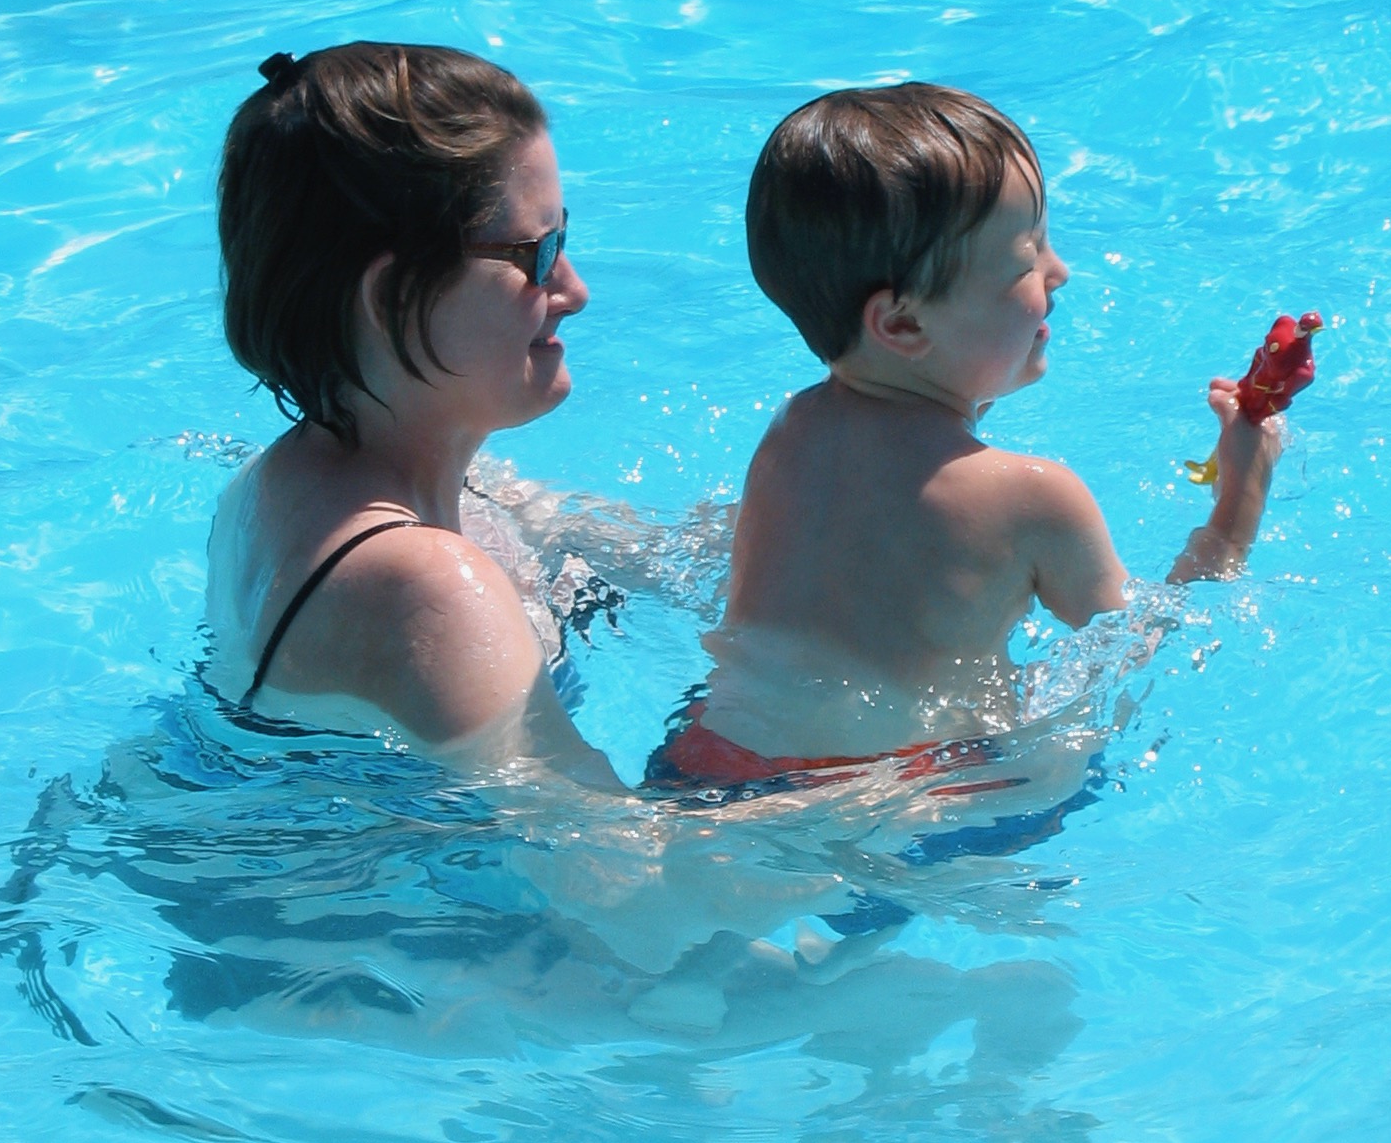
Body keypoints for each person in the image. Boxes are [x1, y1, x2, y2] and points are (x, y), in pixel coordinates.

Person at [651, 83, 1280, 784]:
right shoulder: (1035, 498)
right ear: (902, 324)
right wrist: (1237, 511)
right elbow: (1137, 651)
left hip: (705, 756)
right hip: (898, 793)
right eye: (1027, 259)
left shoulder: (791, 431)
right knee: (1064, 766)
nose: (1059, 273)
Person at [205, 42, 620, 785]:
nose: (574, 290)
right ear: (395, 300)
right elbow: (606, 856)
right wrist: (848, 787)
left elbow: (627, 545)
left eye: (567, 237)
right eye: (538, 252)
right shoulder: (427, 586)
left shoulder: (286, 481)